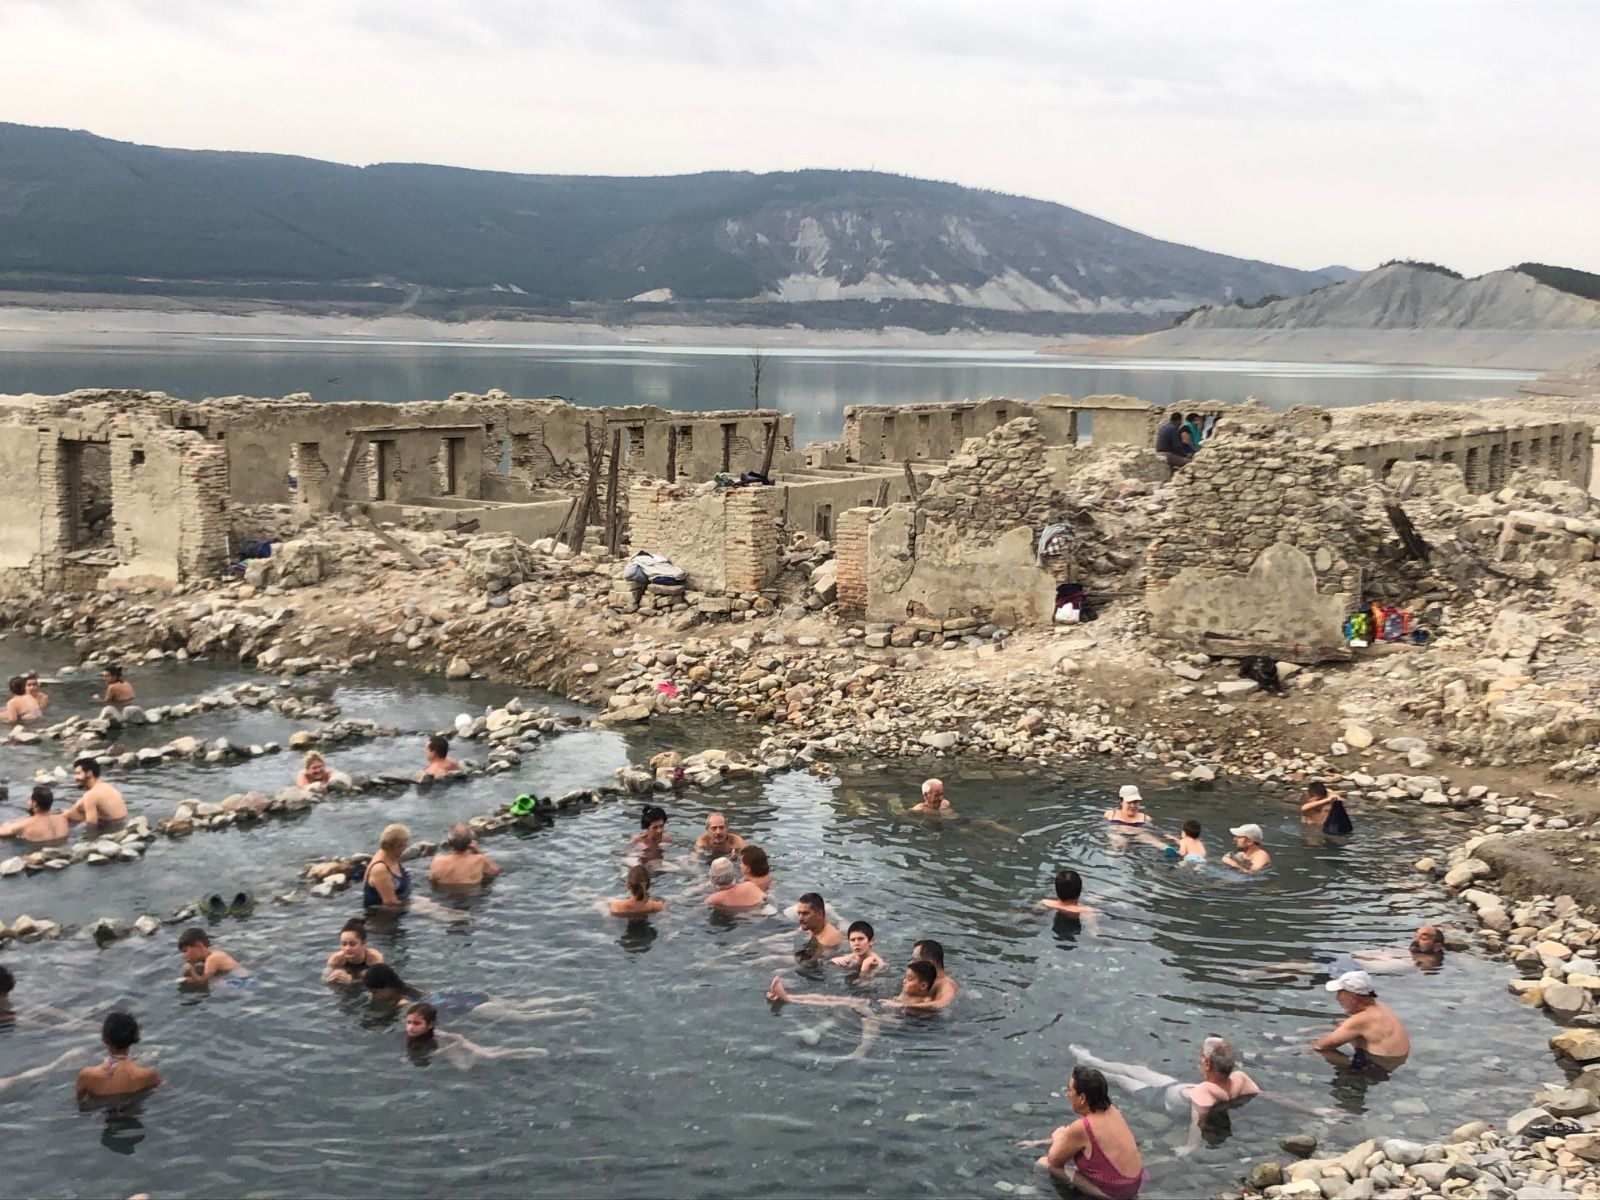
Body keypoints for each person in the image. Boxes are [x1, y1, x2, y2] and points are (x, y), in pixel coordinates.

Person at [1071, 1038, 1260, 1156]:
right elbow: (1259, 1094)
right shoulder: (1239, 1078)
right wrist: (1284, 1103)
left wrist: (1189, 1147)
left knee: (1121, 1079)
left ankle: (1089, 1068)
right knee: (1138, 1070)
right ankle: (1091, 1061)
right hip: (1174, 1087)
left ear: (1207, 1064)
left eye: (1200, 1057)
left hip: (1157, 1098)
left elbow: (1197, 1122)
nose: (1198, 1059)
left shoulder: (1204, 1094)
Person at [1024, 1065, 1149, 1199]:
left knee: (1043, 1164)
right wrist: (1041, 1142)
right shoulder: (1112, 1111)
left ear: (1082, 1098)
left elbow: (1054, 1161)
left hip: (1115, 1193)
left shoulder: (1082, 1127)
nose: (1067, 1094)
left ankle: (1040, 1194)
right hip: (1135, 1183)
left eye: (1070, 1090)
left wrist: (1058, 1137)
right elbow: (1082, 1141)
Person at [1312, 970, 1411, 1074]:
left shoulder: (1361, 1020)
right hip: (1395, 1062)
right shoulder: (1381, 1008)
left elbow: (1320, 1046)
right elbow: (1348, 1026)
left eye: (1340, 993)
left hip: (1377, 1067)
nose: (1337, 998)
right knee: (1339, 1027)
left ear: (1353, 997)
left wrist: (1304, 1045)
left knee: (1319, 1050)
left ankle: (1351, 1074)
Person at [402, 1002, 547, 1069]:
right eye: (408, 1022)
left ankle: (526, 1051)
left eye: (416, 1023)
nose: (411, 1027)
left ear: (430, 1024)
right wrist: (454, 1044)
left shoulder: (433, 1034)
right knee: (466, 1066)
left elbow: (436, 1051)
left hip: (444, 1045)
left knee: (488, 1055)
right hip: (444, 1046)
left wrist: (459, 1042)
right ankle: (525, 1052)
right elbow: (433, 1053)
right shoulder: (416, 1039)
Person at [767, 960, 938, 1011]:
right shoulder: (912, 995)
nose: (904, 981)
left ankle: (788, 998)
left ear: (923, 986)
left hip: (880, 1014)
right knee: (829, 998)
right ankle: (789, 997)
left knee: (838, 1001)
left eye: (909, 979)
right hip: (875, 1004)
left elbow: (924, 1008)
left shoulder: (923, 1002)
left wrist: (899, 1004)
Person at [75, 1012, 161, 1104]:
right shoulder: (148, 1076)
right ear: (135, 1037)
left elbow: (80, 1104)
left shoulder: (87, 1076)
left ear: (103, 1037)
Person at [429, 822, 500, 886]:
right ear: (470, 842)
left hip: (444, 898)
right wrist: (478, 850)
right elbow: (495, 871)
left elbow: (432, 881)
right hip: (473, 897)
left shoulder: (437, 861)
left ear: (449, 842)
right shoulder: (479, 860)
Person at [63, 757, 128, 828]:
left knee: (67, 814)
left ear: (89, 773)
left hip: (111, 828)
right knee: (78, 806)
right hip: (122, 823)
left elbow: (91, 826)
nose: (75, 777)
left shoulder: (90, 795)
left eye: (78, 773)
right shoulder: (107, 786)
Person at [364, 823, 415, 907]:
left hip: (403, 901)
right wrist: (418, 906)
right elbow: (391, 903)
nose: (405, 849)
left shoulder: (391, 856)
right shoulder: (380, 869)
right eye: (405, 845)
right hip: (385, 916)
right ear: (397, 846)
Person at [324, 917, 384, 985]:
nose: (347, 948)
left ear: (363, 942)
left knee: (365, 973)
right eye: (344, 944)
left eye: (352, 944)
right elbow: (324, 979)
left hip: (363, 977)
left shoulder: (374, 957)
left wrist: (352, 981)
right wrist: (332, 977)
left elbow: (380, 981)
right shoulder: (336, 959)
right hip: (347, 977)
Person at [0, 784, 69, 843]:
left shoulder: (24, 825)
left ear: (35, 804)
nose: (27, 802)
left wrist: (7, 824)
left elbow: (2, 832)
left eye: (30, 800)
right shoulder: (63, 819)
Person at [177, 927, 243, 985]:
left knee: (216, 983)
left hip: (242, 982)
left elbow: (202, 981)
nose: (183, 956)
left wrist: (191, 971)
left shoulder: (212, 959)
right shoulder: (213, 954)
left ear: (198, 945)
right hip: (239, 980)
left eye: (185, 951)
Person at [795, 892, 844, 960]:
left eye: (805, 913)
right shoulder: (810, 926)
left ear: (819, 914)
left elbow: (810, 963)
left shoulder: (827, 941)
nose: (800, 918)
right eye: (799, 913)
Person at [912, 939, 958, 1007]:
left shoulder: (945, 983)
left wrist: (901, 1005)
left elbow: (944, 1003)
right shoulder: (930, 980)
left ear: (929, 962)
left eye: (915, 960)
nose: (912, 963)